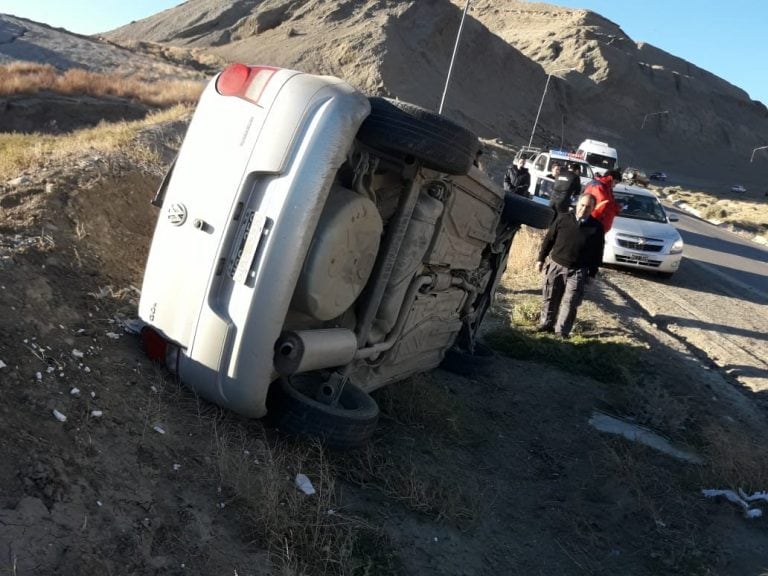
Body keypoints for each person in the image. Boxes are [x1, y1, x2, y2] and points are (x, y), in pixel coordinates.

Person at [535, 193, 605, 338]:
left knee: (571, 301)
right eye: (582, 205)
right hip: (556, 265)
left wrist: (592, 274)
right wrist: (540, 259)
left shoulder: (597, 228)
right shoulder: (563, 218)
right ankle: (546, 324)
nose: (584, 209)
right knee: (550, 296)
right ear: (576, 204)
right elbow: (549, 239)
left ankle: (561, 331)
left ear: (593, 209)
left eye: (588, 207)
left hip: (578, 270)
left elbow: (597, 253)